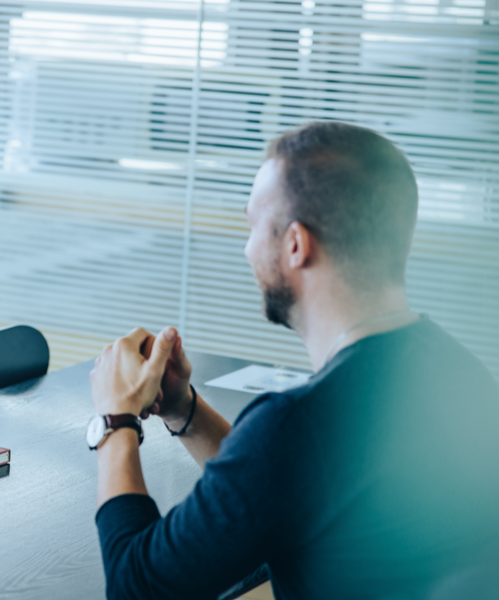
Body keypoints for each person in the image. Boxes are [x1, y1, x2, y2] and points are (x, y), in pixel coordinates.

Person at [86, 122, 499, 598]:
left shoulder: (300, 424)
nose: (245, 248)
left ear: (296, 245)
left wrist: (114, 420)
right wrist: (184, 409)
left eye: (251, 225)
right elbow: (288, 486)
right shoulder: (460, 372)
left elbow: (136, 588)